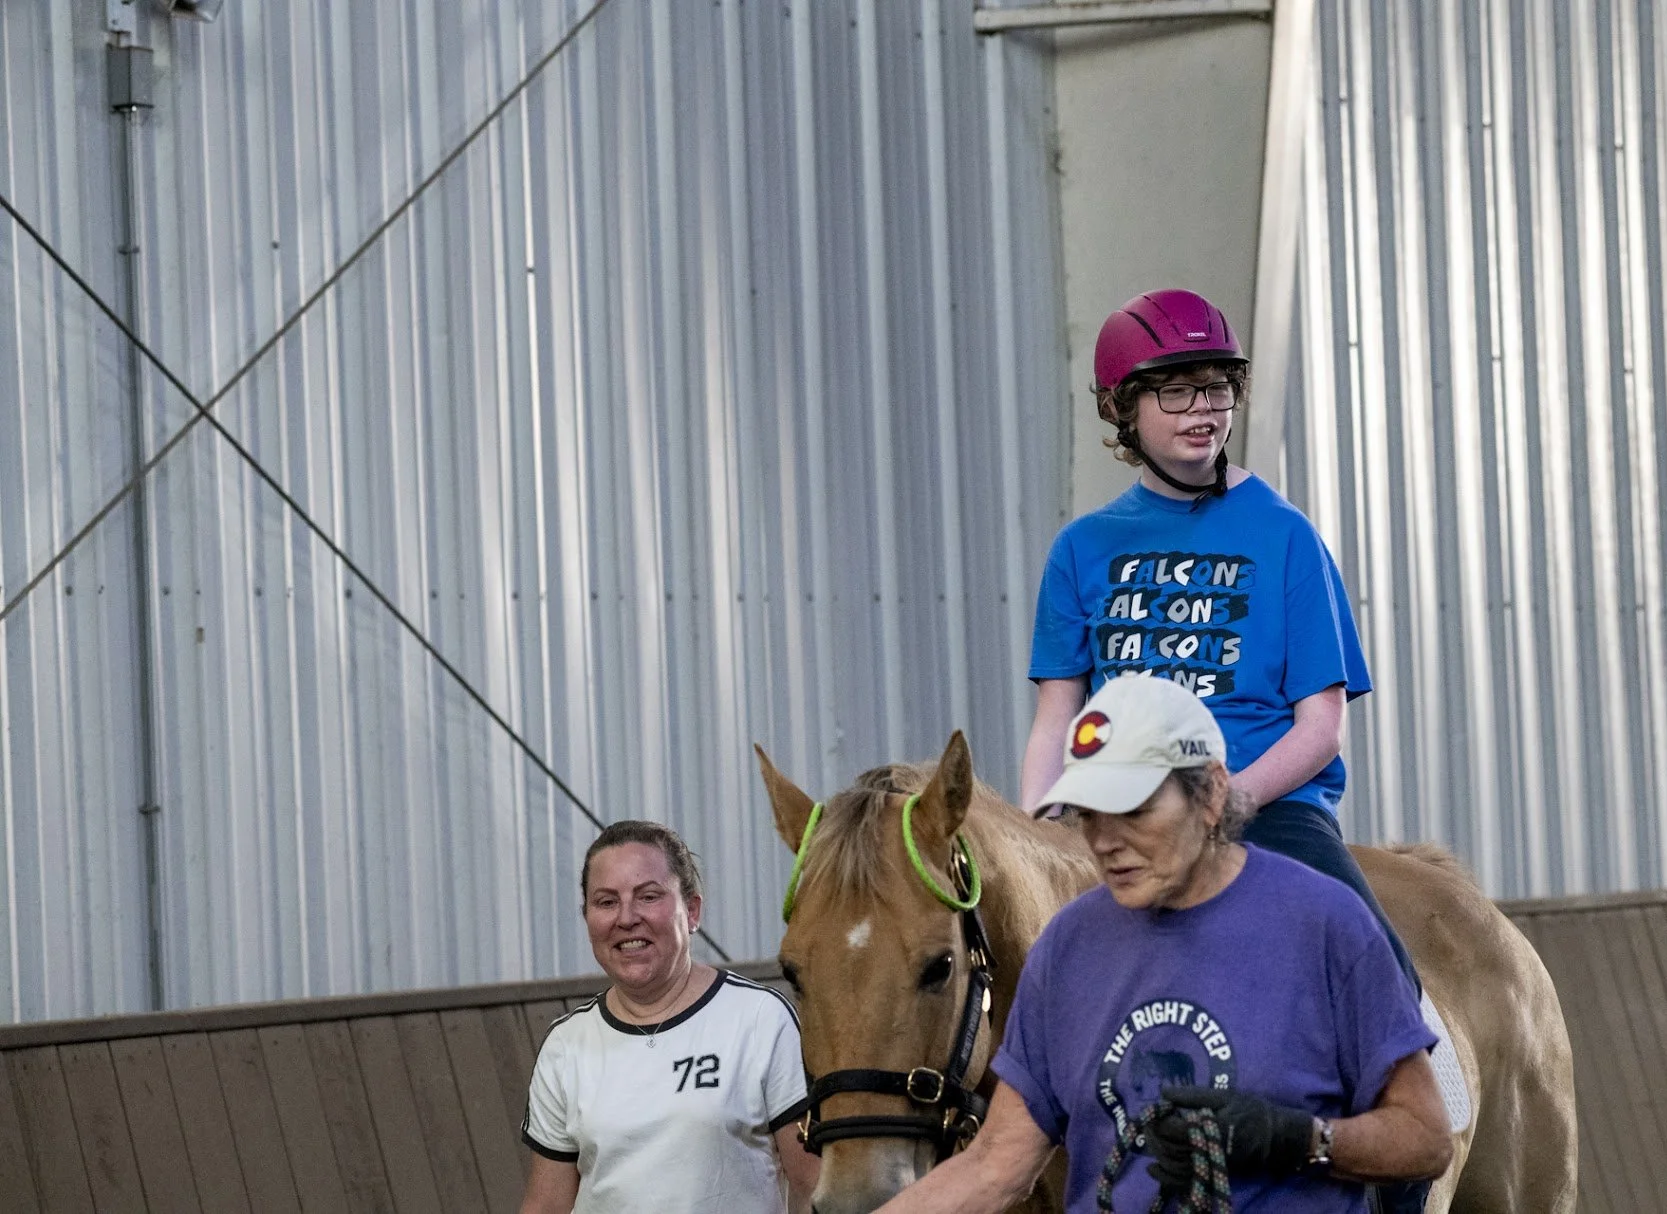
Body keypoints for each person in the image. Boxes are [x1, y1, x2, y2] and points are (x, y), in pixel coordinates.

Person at [877, 676, 1451, 1213]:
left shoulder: (1325, 927)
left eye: (1133, 809)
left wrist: (1301, 1139)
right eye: (1089, 814)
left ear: (1211, 795)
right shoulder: (1066, 951)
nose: (1104, 840)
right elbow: (995, 1165)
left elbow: (1424, 1140)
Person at [1019, 287, 1421, 1000]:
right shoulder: (1081, 549)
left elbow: (1322, 728)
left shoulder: (1286, 534)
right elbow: (1058, 715)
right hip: (1121, 806)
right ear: (1121, 409)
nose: (1203, 409)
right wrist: (1042, 825)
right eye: (1175, 392)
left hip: (1265, 813)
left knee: (1369, 959)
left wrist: (1226, 803)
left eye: (1215, 387)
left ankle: (1426, 1080)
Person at [519, 821, 819, 1214]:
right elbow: (546, 1205)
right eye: (606, 902)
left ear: (692, 910)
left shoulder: (760, 1019)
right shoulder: (566, 1045)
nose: (626, 918)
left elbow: (813, 1184)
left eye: (648, 897)